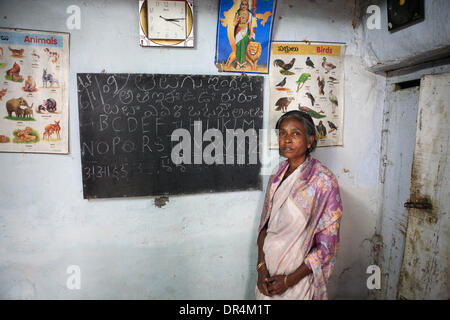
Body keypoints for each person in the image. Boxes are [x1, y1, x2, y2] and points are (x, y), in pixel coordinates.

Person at [255, 110, 343, 300]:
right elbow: (265, 226)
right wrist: (261, 268)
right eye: (282, 133)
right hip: (267, 276)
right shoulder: (278, 173)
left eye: (295, 133)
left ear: (310, 140)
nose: (287, 140)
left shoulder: (323, 181)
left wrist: (288, 281)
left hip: (297, 280)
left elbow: (327, 247)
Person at [233, 0, 254, 69]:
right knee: (238, 47)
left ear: (247, 6)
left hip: (246, 31)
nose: (244, 6)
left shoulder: (249, 14)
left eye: (245, 4)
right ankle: (238, 63)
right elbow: (234, 24)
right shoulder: (238, 13)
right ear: (240, 5)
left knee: (244, 47)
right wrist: (236, 20)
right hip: (239, 31)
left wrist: (251, 33)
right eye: (242, 4)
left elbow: (250, 25)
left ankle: (243, 63)